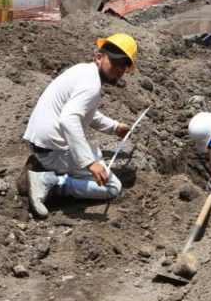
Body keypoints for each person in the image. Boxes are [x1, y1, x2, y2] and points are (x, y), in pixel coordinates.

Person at [21, 33, 139, 219]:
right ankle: (50, 182)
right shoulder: (91, 86)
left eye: (123, 65)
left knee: (96, 154)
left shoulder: (85, 72)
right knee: (112, 186)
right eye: (114, 62)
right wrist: (89, 163)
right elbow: (69, 119)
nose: (118, 69)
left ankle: (49, 167)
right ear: (99, 57)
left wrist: (114, 126)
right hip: (51, 150)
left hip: (43, 143)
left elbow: (84, 112)